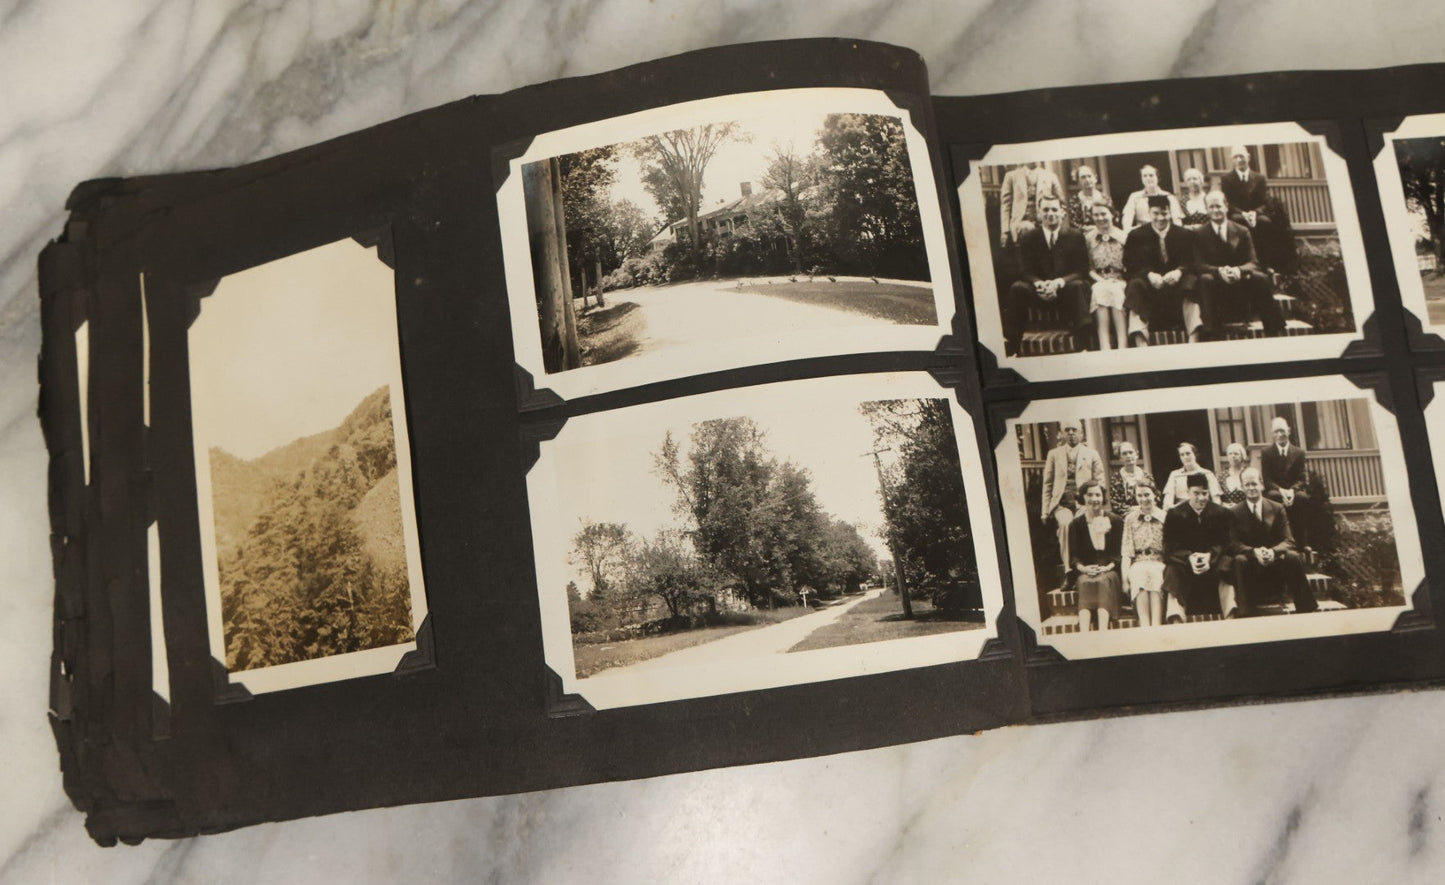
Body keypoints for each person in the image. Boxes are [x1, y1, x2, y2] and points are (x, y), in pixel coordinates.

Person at [1004, 194, 1091, 356]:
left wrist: (1059, 282)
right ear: (1038, 213)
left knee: (1079, 285)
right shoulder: (1029, 237)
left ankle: (1083, 345)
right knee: (1017, 288)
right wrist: (1038, 283)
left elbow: (1081, 270)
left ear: (1062, 212)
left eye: (1054, 209)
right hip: (1038, 290)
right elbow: (1024, 270)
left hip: (1066, 290)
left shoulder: (1075, 236)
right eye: (1045, 210)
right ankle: (1013, 347)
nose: (1050, 213)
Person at [1226, 467, 1318, 616]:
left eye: (1254, 484)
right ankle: (1245, 612)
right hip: (1251, 564)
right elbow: (1233, 543)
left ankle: (1306, 608)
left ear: (1261, 484)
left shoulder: (1277, 508)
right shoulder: (1234, 512)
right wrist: (1254, 552)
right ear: (1242, 487)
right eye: (1247, 484)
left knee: (1293, 557)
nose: (1251, 488)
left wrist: (1273, 552)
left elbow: (1289, 540)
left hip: (1275, 563)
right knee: (1238, 560)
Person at [1193, 190, 1284, 338]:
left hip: (1240, 282)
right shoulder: (1199, 234)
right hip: (1216, 283)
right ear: (1206, 209)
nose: (1215, 210)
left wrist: (1238, 270)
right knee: (1204, 280)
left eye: (1218, 206)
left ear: (1226, 207)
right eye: (1211, 207)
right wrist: (1219, 271)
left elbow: (1254, 262)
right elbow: (1198, 265)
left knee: (1260, 278)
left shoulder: (1242, 231)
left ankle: (1273, 330)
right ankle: (1211, 332)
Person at [1123, 194, 1201, 346]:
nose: (1160, 218)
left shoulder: (1185, 235)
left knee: (1191, 282)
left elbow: (1193, 261)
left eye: (1164, 213)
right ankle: (1141, 341)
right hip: (1150, 287)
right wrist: (1149, 274)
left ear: (1170, 213)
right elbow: (1130, 264)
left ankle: (1194, 337)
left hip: (1177, 286)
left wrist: (1179, 271)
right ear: (1149, 214)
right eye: (1155, 213)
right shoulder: (1136, 236)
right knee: (1135, 285)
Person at [1162, 472, 1238, 621]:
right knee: (1172, 570)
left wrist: (1210, 556)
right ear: (1187, 492)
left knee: (1227, 564)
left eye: (1205, 493)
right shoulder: (1175, 515)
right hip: (1185, 567)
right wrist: (1189, 557)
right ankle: (1176, 618)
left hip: (1214, 566)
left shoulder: (1222, 513)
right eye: (1196, 493)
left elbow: (1228, 543)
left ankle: (1230, 615)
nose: (1201, 498)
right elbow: (1169, 547)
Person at [1041, 419, 1106, 580]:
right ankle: (1069, 571)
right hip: (1061, 505)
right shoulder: (1054, 454)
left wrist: (1097, 506)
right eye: (1067, 430)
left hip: (1085, 504)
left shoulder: (1091, 454)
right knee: (1065, 525)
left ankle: (1086, 567)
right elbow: (1047, 484)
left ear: (1081, 433)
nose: (1071, 433)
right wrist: (1045, 511)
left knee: (1083, 526)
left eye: (1074, 430)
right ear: (1062, 433)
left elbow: (1100, 482)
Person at [1069, 481, 1123, 631]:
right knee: (1085, 582)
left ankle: (1103, 631)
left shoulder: (1116, 521)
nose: (1094, 499)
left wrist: (1108, 567)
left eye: (1098, 495)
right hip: (1086, 570)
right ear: (1083, 497)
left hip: (1110, 570)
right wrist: (1084, 569)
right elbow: (1074, 556)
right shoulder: (1076, 524)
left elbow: (1120, 553)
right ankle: (1084, 633)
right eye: (1090, 495)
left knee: (1102, 581)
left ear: (1103, 497)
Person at [1120, 482, 1167, 627]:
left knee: (1155, 574)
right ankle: (1145, 626)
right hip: (1139, 562)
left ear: (1155, 495)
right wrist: (1124, 580)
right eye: (1139, 495)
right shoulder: (1130, 519)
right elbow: (1127, 552)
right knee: (1139, 574)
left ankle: (1156, 625)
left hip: (1159, 561)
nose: (1143, 499)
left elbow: (1170, 548)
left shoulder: (1165, 516)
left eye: (1147, 494)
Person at [1084, 199, 1129, 350]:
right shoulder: (1088, 238)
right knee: (1099, 290)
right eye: (1096, 215)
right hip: (1099, 278)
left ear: (1113, 214)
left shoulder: (1123, 236)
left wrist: (1117, 278)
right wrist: (1101, 280)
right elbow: (1088, 267)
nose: (1100, 218)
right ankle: (1105, 345)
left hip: (1120, 279)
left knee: (1116, 291)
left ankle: (1123, 344)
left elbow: (1129, 264)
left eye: (1103, 214)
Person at [1261, 416, 1311, 547]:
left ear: (1288, 431)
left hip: (1294, 491)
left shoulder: (1299, 452)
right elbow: (1267, 479)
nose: (1279, 434)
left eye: (1282, 431)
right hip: (1276, 491)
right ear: (1272, 434)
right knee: (1272, 497)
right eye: (1276, 431)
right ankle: (1276, 542)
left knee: (1302, 498)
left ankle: (1302, 544)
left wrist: (1292, 491)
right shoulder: (1266, 452)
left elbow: (1302, 478)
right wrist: (1281, 491)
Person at [999, 161, 1064, 247]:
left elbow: (1062, 203)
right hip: (1022, 223)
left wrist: (1058, 220)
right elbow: (1005, 205)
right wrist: (1005, 231)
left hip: (1046, 221)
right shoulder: (1011, 176)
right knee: (1028, 230)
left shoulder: (1050, 176)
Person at [1219, 145, 1273, 240]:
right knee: (1237, 220)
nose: (1239, 160)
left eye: (1242, 156)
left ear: (1248, 157)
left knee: (1265, 222)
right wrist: (1243, 213)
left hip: (1256, 215)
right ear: (1232, 160)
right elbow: (1226, 202)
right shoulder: (1226, 179)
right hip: (1237, 215)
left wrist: (1255, 212)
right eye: (1235, 157)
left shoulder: (1260, 178)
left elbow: (1266, 202)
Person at [1119, 164, 1184, 232]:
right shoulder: (1134, 197)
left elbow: (1177, 221)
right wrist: (1128, 232)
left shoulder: (1169, 197)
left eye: (1151, 175)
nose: (1148, 178)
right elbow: (1127, 218)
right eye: (1144, 176)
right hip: (1143, 233)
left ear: (1158, 178)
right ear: (1141, 179)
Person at [1161, 441, 1222, 509]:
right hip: (1182, 512)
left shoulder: (1207, 474)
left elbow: (1216, 500)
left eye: (1188, 453)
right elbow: (1167, 501)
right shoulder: (1175, 475)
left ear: (1195, 454)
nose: (1185, 457)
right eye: (1182, 455)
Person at [1110, 440, 1156, 516]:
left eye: (1131, 452)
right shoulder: (1116, 478)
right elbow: (1116, 505)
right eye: (1124, 453)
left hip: (1147, 514)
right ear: (1120, 458)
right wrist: (1135, 511)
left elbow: (1156, 498)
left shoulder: (1147, 476)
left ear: (1137, 454)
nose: (1128, 456)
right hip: (1126, 516)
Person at [1067, 164, 1114, 229]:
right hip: (1083, 235)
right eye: (1083, 177)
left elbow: (1113, 219)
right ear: (1078, 182)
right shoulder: (1074, 201)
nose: (1087, 179)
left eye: (1089, 176)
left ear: (1095, 178)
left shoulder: (1105, 199)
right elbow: (1073, 223)